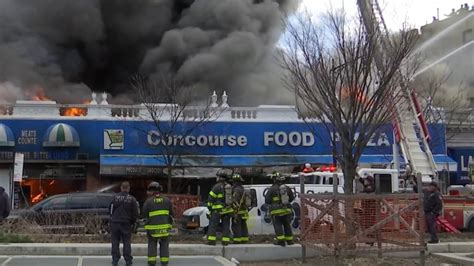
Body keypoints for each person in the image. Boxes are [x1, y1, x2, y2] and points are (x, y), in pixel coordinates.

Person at [142, 182, 174, 266]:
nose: (148, 193)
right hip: (165, 229)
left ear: (153, 191)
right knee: (164, 244)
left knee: (152, 244)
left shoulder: (148, 202)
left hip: (152, 229)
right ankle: (164, 261)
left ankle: (152, 261)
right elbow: (171, 214)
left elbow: (144, 215)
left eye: (149, 191)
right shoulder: (167, 200)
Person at [109, 181, 139, 266]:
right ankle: (128, 260)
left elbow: (110, 210)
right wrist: (132, 223)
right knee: (126, 242)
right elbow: (135, 214)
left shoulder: (115, 198)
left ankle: (115, 260)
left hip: (115, 223)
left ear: (121, 188)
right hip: (126, 223)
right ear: (128, 188)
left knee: (115, 241)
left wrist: (112, 219)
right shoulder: (132, 199)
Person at [265, 172, 295, 246]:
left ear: (274, 180)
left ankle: (281, 241)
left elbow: (267, 201)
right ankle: (289, 240)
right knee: (287, 225)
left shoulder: (272, 189)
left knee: (278, 225)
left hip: (276, 211)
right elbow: (291, 198)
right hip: (286, 210)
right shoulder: (287, 188)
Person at [206, 170, 233, 246]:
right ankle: (225, 241)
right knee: (226, 226)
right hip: (227, 210)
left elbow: (211, 198)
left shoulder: (216, 187)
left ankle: (211, 241)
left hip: (217, 210)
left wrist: (210, 207)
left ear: (219, 177)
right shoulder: (228, 186)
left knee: (213, 225)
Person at [231, 173, 250, 244]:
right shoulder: (243, 189)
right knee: (243, 225)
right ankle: (244, 238)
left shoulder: (236, 190)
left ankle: (237, 240)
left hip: (237, 211)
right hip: (244, 211)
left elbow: (235, 200)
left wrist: (234, 210)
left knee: (236, 225)